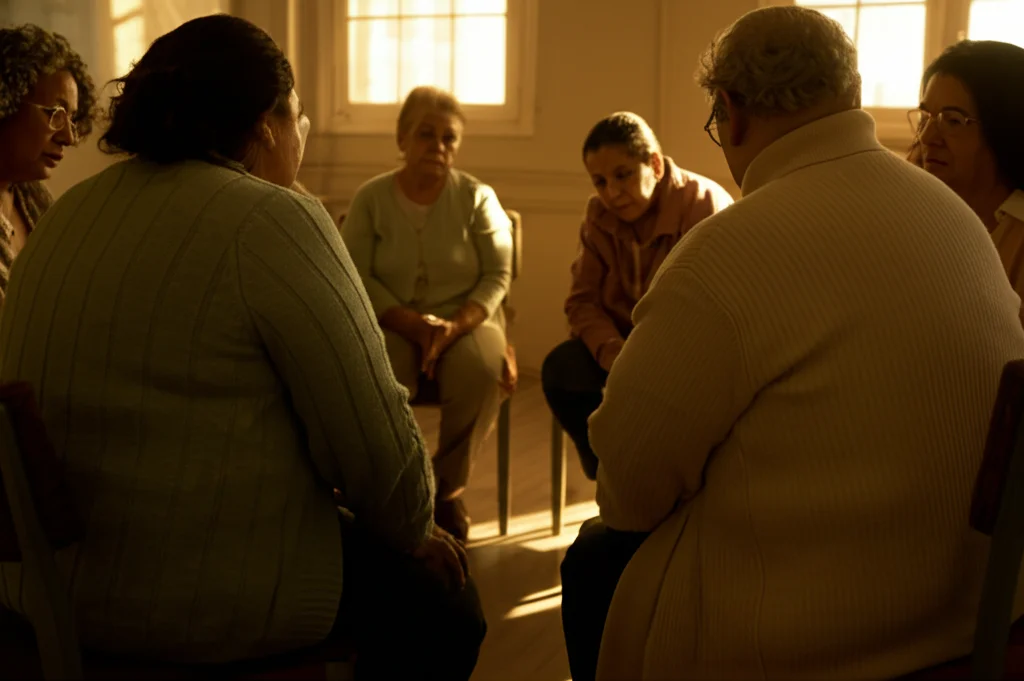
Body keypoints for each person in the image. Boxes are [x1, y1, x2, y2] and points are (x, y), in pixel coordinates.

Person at [0, 15, 484, 680]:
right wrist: (415, 528)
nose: (303, 138)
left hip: (47, 598)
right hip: (200, 604)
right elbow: (385, 467)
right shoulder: (275, 218)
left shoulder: (66, 213)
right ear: (266, 123)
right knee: (449, 605)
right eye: (300, 119)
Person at [560, 6, 1024, 681]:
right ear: (849, 93)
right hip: (977, 611)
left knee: (596, 557)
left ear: (731, 110)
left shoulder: (722, 252)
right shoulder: (953, 215)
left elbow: (628, 489)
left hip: (812, 640)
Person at [340, 85, 514, 542]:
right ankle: (397, 490)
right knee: (375, 379)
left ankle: (446, 493)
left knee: (482, 371)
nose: (438, 146)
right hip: (390, 319)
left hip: (467, 320)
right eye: (425, 134)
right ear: (402, 138)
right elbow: (354, 271)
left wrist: (454, 325)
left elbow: (498, 274)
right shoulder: (371, 198)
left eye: (449, 138)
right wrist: (411, 323)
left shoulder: (478, 198)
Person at [541, 112, 732, 480]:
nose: (611, 192)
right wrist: (611, 350)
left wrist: (646, 357)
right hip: (619, 346)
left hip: (685, 349)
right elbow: (582, 302)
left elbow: (713, 307)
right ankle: (609, 472)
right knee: (560, 371)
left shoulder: (703, 205)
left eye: (623, 174)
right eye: (599, 181)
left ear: (655, 165)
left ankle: (669, 485)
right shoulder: (598, 216)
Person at [910, 40, 1024, 320]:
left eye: (952, 121)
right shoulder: (911, 213)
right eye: (926, 117)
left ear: (1005, 130)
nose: (926, 138)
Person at [0, 23, 97, 307]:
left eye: (72, 119)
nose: (68, 137)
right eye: (55, 113)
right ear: (7, 102)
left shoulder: (37, 202)